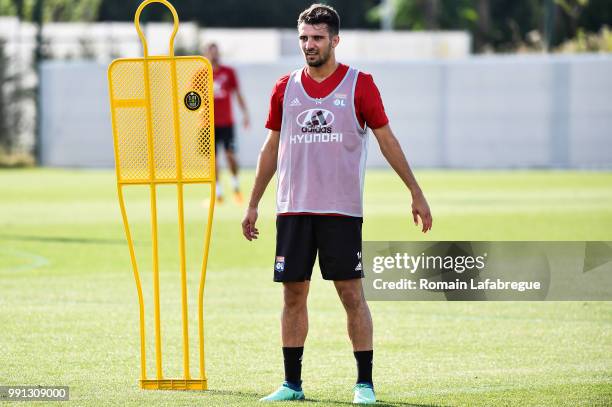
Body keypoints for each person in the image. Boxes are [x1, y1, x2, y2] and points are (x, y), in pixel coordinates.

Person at [241, 3, 432, 404]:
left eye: (317, 38)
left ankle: (364, 383)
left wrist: (414, 190)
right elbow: (271, 147)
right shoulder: (284, 87)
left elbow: (387, 140)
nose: (309, 45)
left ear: (335, 40)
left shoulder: (360, 85)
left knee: (351, 294)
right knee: (293, 295)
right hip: (293, 209)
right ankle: (292, 385)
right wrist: (254, 202)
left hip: (341, 211)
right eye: (304, 38)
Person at [204, 43, 250, 203]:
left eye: (216, 52)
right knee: (213, 160)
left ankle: (236, 187)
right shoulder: (201, 73)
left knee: (230, 156)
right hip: (207, 124)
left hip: (226, 123)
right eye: (211, 53)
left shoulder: (228, 72)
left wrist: (245, 114)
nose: (214, 56)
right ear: (206, 55)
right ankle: (218, 193)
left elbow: (237, 94)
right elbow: (192, 98)